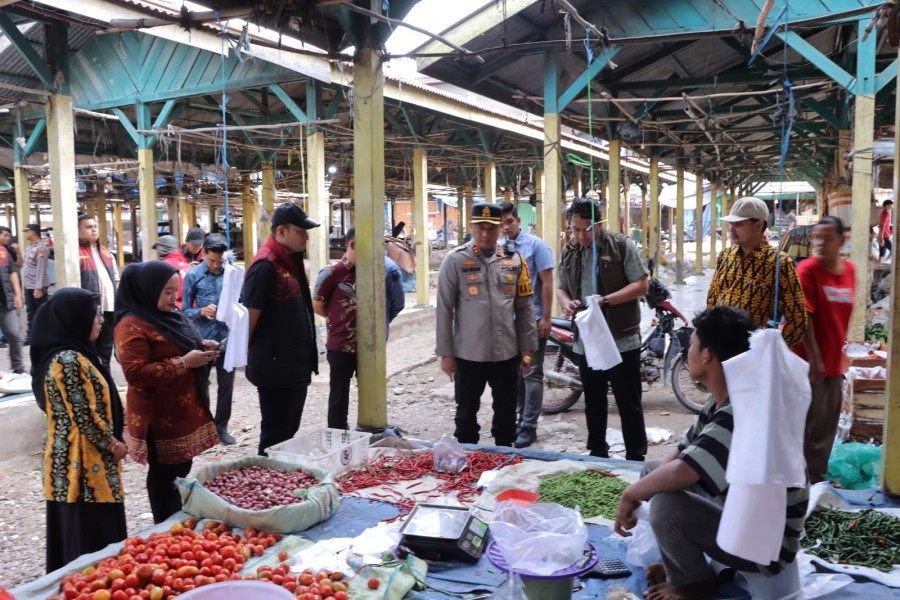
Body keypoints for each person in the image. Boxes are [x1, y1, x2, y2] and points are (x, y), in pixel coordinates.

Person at [614, 306, 809, 600]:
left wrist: (630, 495)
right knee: (653, 474)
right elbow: (681, 455)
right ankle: (680, 567)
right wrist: (641, 489)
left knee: (668, 504)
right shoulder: (722, 402)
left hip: (766, 546)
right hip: (737, 512)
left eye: (692, 344)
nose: (688, 351)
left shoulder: (742, 410)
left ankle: (693, 584)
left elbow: (684, 472)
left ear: (707, 354)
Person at [114, 261, 219, 523]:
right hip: (158, 415)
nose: (174, 299)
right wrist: (183, 363)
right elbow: (135, 373)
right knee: (164, 475)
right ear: (148, 291)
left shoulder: (168, 315)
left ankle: (177, 518)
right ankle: (165, 525)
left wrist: (202, 345)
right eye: (168, 292)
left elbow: (178, 342)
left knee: (181, 468)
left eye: (176, 291)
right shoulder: (131, 325)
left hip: (181, 408)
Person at [31, 288, 128, 573]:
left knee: (85, 528)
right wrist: (113, 445)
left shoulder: (76, 355)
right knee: (90, 533)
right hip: (81, 465)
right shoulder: (68, 361)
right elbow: (83, 415)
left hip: (82, 460)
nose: (100, 319)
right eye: (93, 314)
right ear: (74, 319)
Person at [436, 202, 537, 447]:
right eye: (480, 227)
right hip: (468, 354)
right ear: (471, 227)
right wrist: (446, 354)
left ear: (500, 227)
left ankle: (503, 461)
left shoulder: (514, 261)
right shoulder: (455, 260)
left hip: (506, 354)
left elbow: (524, 307)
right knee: (466, 414)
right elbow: (444, 310)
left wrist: (528, 347)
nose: (485, 233)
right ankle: (468, 464)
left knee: (506, 413)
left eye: (491, 228)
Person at [556, 198, 650, 461]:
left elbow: (642, 285)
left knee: (628, 402)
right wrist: (567, 303)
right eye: (575, 229)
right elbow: (561, 287)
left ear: (599, 224)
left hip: (621, 339)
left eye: (587, 229)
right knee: (594, 401)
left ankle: (635, 456)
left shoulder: (620, 246)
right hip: (586, 340)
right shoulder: (570, 251)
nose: (581, 235)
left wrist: (605, 300)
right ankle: (597, 453)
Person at [242, 203, 319, 456]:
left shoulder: (290, 262)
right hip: (275, 368)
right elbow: (249, 319)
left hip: (293, 365)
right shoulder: (266, 266)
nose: (306, 237)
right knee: (275, 434)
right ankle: (266, 485)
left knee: (288, 430)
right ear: (282, 231)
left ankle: (277, 482)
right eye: (301, 231)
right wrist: (253, 360)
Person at [312, 227, 405, 430]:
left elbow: (395, 303)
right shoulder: (331, 273)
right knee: (339, 393)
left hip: (370, 345)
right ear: (353, 245)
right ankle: (338, 433)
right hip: (341, 346)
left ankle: (369, 429)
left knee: (371, 391)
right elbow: (318, 305)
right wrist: (341, 319)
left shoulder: (377, 272)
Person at [793, 216, 855, 483]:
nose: (820, 243)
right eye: (816, 237)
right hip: (806, 362)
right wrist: (815, 359)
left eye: (827, 238)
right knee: (803, 426)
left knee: (826, 425)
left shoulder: (850, 270)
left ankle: (814, 478)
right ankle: (798, 483)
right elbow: (804, 316)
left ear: (842, 240)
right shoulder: (807, 270)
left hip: (832, 361)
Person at [707, 197, 806, 349]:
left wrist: (771, 352)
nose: (731, 228)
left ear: (758, 225)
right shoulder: (726, 256)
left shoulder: (779, 263)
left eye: (739, 224)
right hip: (722, 348)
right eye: (731, 223)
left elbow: (798, 319)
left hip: (754, 353)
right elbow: (712, 300)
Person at [499, 202, 554, 448]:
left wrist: (546, 318)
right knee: (513, 374)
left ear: (518, 221)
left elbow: (548, 282)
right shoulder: (497, 249)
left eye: (509, 221)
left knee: (532, 372)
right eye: (501, 223)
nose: (505, 227)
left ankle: (529, 427)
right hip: (506, 322)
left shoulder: (536, 246)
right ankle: (517, 421)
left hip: (532, 320)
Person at [182, 234, 237, 445]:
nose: (215, 265)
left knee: (226, 385)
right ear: (203, 254)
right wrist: (201, 312)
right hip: (202, 339)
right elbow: (184, 310)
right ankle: (202, 427)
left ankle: (221, 427)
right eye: (212, 260)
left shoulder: (231, 274)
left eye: (220, 261)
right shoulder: (192, 276)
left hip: (226, 338)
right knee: (200, 384)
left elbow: (241, 301)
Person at [79, 214, 119, 370]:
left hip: (109, 310)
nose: (94, 230)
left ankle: (106, 382)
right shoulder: (75, 253)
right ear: (77, 231)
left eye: (95, 226)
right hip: (89, 312)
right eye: (89, 227)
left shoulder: (105, 252)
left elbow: (115, 279)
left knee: (105, 352)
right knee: (89, 351)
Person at [0, 225, 24, 372]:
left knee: (14, 334)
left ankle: (18, 368)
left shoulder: (5, 252)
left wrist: (18, 294)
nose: (7, 238)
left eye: (9, 236)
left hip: (5, 301)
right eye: (5, 235)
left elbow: (12, 273)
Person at [23, 223, 49, 346]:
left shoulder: (41, 249)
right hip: (29, 285)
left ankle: (43, 336)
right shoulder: (29, 247)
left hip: (37, 286)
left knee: (41, 312)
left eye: (27, 231)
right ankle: (31, 335)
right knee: (31, 311)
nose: (26, 234)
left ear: (32, 232)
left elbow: (41, 269)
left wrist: (38, 288)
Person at [153, 234, 191, 309]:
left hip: (173, 307)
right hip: (189, 307)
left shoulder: (164, 265)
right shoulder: (184, 261)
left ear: (162, 249)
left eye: (158, 248)